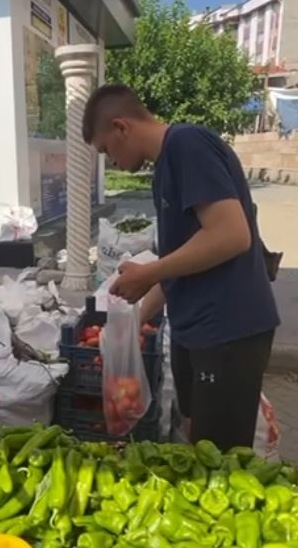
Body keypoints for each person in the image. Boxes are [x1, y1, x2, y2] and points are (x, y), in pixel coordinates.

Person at [83, 84, 280, 451]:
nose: (110, 161)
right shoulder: (164, 171)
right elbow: (180, 262)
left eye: (106, 149)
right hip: (197, 330)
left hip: (228, 332)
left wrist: (149, 273)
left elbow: (232, 234)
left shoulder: (187, 145)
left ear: (121, 127)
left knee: (220, 463)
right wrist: (135, 320)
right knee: (197, 444)